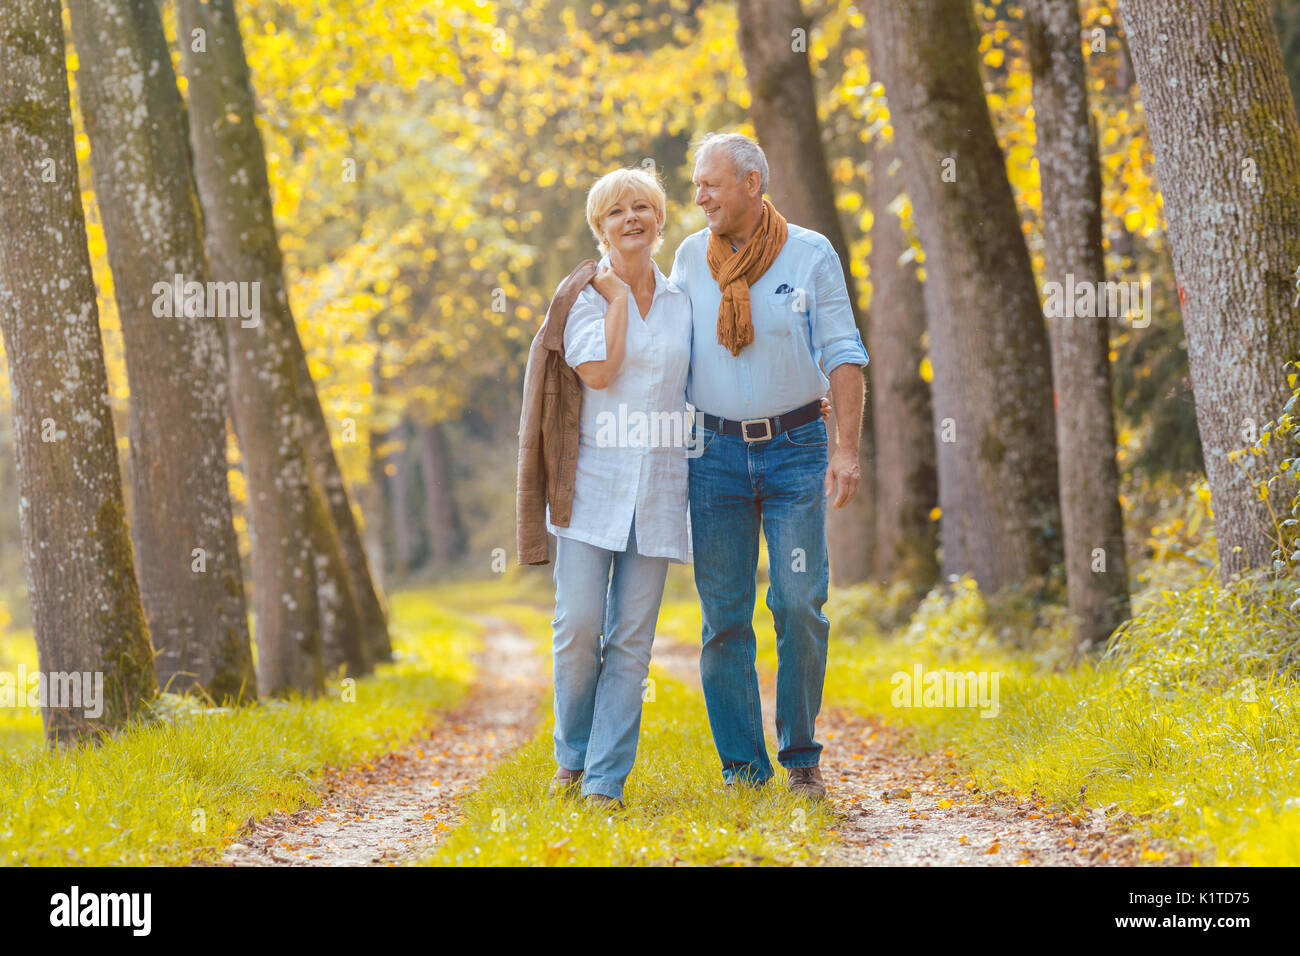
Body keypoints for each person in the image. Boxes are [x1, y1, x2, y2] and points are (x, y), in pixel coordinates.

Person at [668, 132, 869, 801]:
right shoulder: (689, 260)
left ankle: (801, 756)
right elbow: (665, 350)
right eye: (696, 184)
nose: (699, 197)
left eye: (711, 184)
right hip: (714, 456)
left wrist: (846, 449)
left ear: (752, 183)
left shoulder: (810, 253)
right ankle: (742, 770)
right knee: (725, 615)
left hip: (796, 450)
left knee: (799, 602)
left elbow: (843, 350)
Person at [520, 166, 693, 808]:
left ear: (660, 219)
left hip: (660, 490)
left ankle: (604, 781)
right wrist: (619, 299)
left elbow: (705, 379)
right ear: (600, 227)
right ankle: (572, 755)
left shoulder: (683, 303)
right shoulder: (582, 300)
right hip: (591, 488)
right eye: (617, 212)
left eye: (643, 207)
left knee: (630, 640)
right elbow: (599, 371)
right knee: (577, 625)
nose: (632, 219)